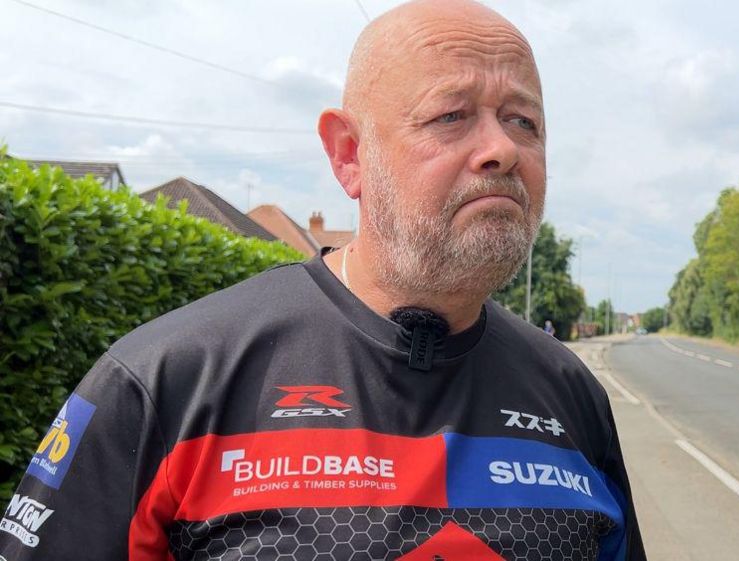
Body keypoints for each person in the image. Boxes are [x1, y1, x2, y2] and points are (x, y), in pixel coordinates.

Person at [0, 1, 646, 559]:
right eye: (450, 115)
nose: (500, 148)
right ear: (347, 154)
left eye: (523, 121)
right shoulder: (169, 378)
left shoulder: (567, 391)